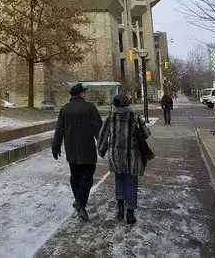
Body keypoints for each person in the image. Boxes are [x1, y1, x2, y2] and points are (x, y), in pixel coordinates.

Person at [52, 83, 103, 222]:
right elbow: (98, 128)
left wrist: (55, 147)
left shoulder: (64, 110)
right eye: (84, 92)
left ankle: (80, 205)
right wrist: (102, 145)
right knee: (88, 177)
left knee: (75, 176)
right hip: (87, 149)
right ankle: (80, 203)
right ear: (81, 94)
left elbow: (59, 130)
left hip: (71, 150)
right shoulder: (90, 108)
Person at [98, 94, 151, 225]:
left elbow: (103, 134)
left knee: (119, 179)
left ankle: (120, 209)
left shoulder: (111, 117)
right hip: (132, 156)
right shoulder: (135, 116)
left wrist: (101, 149)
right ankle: (130, 213)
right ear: (127, 103)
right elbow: (146, 134)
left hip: (116, 155)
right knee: (131, 182)